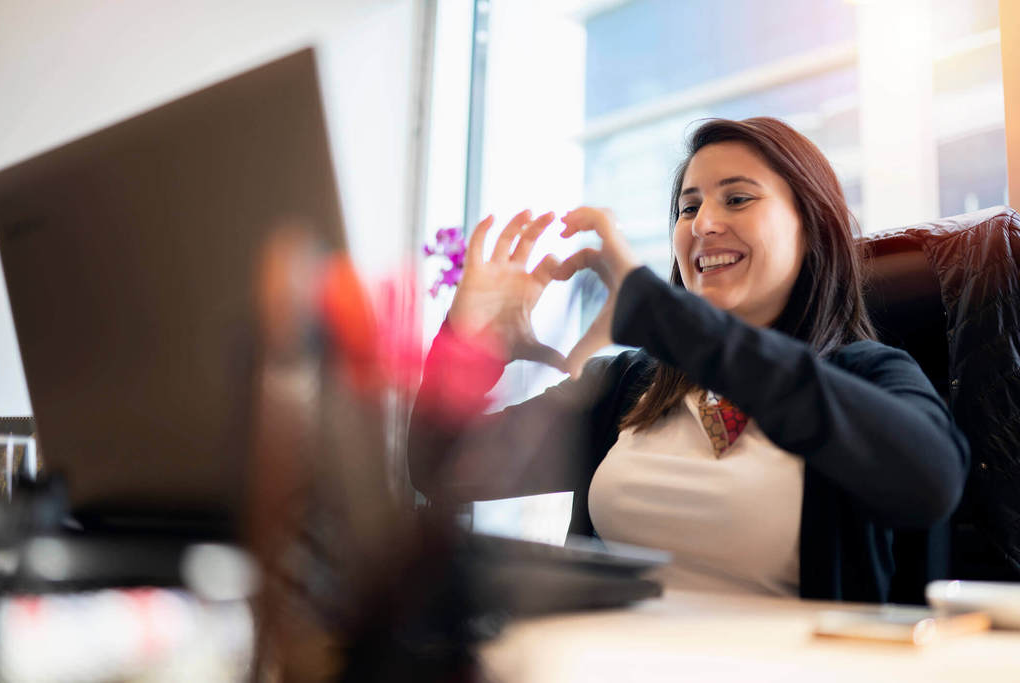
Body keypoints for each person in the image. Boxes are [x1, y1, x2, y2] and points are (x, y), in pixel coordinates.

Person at [409, 117, 970, 603]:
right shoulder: (629, 386)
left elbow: (932, 482)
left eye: (738, 198)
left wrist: (664, 315)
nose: (703, 224)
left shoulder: (870, 375)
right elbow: (440, 465)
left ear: (812, 227)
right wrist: (469, 348)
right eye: (688, 207)